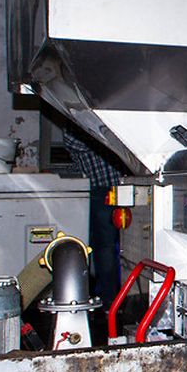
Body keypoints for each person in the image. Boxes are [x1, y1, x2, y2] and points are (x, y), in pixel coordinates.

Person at [62, 124, 125, 308]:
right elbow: (97, 146)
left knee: (115, 247)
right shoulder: (76, 131)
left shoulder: (80, 130)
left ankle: (115, 299)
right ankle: (111, 300)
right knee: (106, 248)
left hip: (116, 190)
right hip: (105, 192)